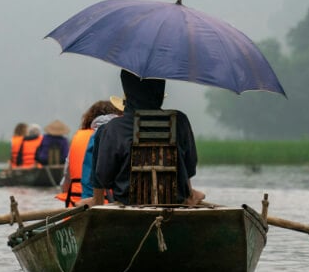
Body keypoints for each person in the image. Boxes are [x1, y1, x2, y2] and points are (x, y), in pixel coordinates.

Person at [91, 69, 204, 206]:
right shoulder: (180, 121)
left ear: (127, 91)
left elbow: (103, 179)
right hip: (174, 204)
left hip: (128, 206)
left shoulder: (113, 129)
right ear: (161, 93)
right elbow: (190, 167)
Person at [57, 99, 121, 207]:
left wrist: (65, 191)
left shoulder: (78, 137)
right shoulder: (118, 135)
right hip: (111, 203)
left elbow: (66, 180)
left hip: (77, 203)